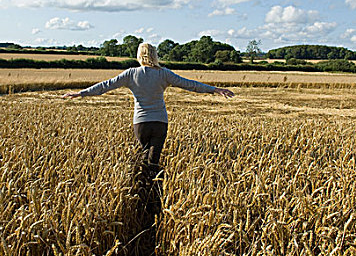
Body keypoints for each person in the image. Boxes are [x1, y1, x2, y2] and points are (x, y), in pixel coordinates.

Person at [63, 43, 234, 173]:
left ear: (139, 56)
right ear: (155, 55)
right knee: (154, 161)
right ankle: (153, 190)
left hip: (141, 123)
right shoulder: (164, 73)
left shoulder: (131, 73)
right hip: (160, 122)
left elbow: (105, 86)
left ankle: (142, 191)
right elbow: (190, 85)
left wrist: (81, 93)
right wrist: (215, 89)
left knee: (143, 158)